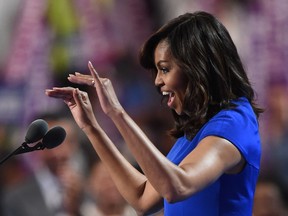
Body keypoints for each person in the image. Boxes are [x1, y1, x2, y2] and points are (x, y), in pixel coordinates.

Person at [46, 11, 263, 216]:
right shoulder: (194, 134)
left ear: (197, 67)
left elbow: (177, 186)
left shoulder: (234, 123)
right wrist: (92, 127)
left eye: (165, 69)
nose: (158, 81)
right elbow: (142, 199)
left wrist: (117, 112)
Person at [1, 112, 89, 216]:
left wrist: (75, 210)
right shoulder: (15, 198)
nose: (59, 153)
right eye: (53, 143)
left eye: (68, 142)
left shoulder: (92, 191)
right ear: (35, 145)